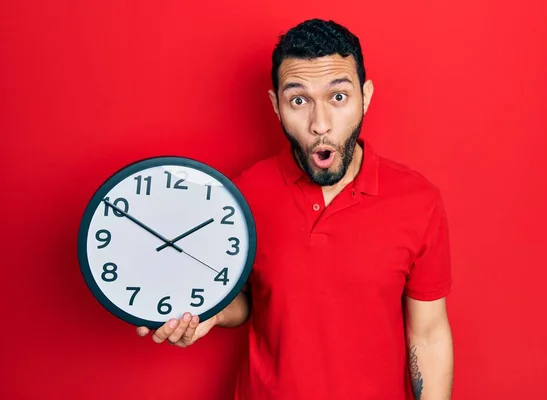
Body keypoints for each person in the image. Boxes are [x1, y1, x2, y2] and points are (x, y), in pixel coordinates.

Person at [136, 18, 454, 400]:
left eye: (338, 97)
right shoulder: (242, 195)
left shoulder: (418, 201)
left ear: (366, 97)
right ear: (276, 105)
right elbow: (246, 302)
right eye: (299, 100)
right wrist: (214, 311)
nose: (320, 124)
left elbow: (429, 333)